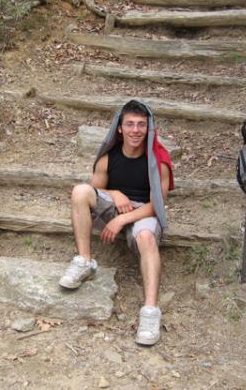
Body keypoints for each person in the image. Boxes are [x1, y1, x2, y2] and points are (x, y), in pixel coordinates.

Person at [59, 100, 174, 346]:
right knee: (80, 191)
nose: (135, 130)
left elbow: (157, 205)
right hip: (117, 206)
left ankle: (150, 311)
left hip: (145, 212)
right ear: (119, 128)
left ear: (149, 128)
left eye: (141, 125)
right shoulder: (108, 158)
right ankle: (84, 261)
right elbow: (95, 189)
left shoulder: (158, 161)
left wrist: (123, 218)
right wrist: (115, 194)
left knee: (145, 237)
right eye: (129, 124)